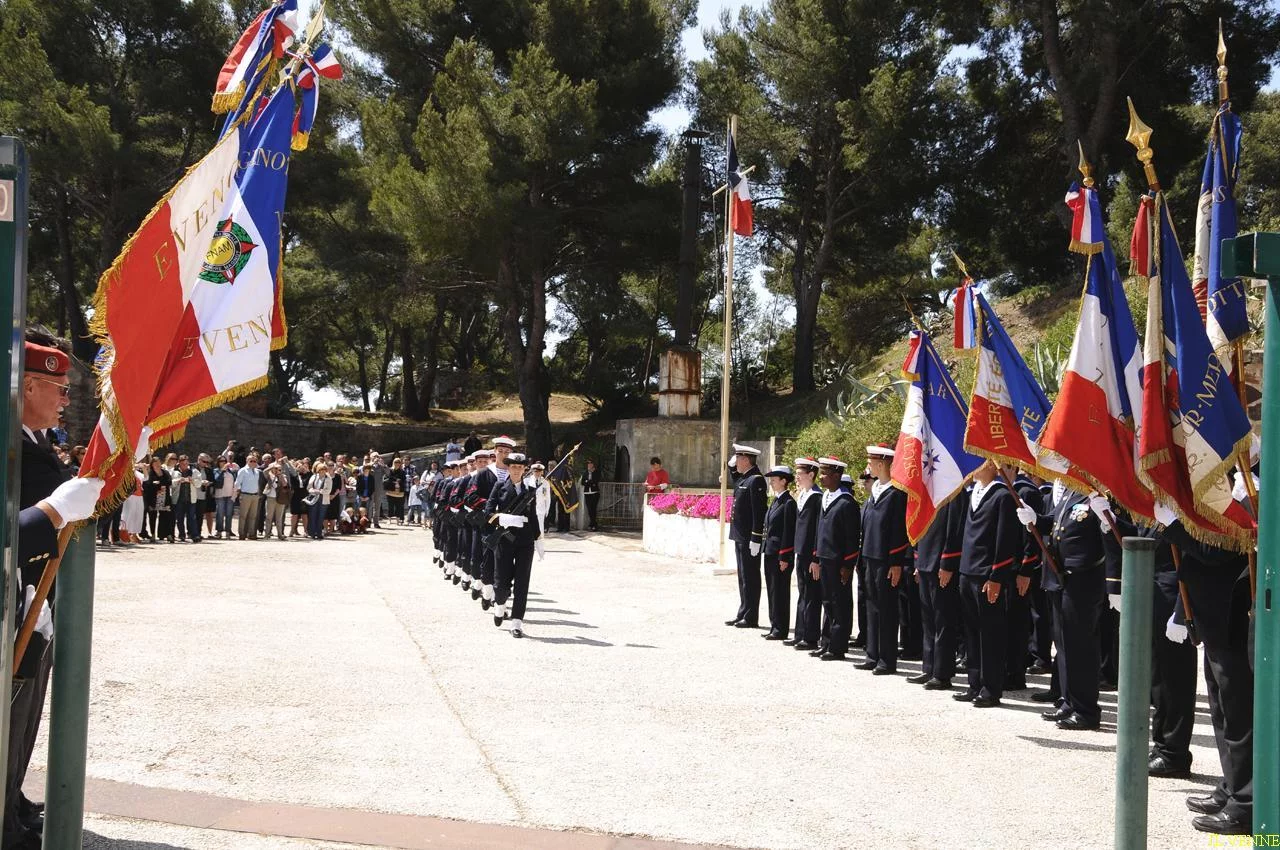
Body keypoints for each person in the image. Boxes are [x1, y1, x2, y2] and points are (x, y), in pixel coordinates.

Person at [8, 337, 105, 848]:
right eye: (60, 390)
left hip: (30, 599)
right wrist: (55, 509)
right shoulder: (13, 443)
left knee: (24, 715)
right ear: (27, 385)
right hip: (14, 598)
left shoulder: (32, 439)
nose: (67, 400)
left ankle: (12, 803)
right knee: (11, 712)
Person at [1158, 503, 1253, 835]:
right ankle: (1232, 787)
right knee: (1222, 712)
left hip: (1231, 618)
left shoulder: (1240, 489)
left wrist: (1175, 527)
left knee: (1239, 716)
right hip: (1212, 617)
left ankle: (1246, 806)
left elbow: (1217, 550)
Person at [1018, 482, 1117, 729]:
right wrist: (1035, 519)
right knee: (1064, 644)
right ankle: (1069, 702)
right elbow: (1055, 523)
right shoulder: (1073, 493)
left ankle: (1086, 711)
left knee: (1081, 646)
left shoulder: (1100, 495)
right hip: (1061, 577)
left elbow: (1113, 538)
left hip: (1084, 578)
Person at [954, 460, 1020, 708]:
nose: (973, 467)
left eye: (979, 462)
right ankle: (974, 683)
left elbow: (1004, 540)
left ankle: (990, 688)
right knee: (971, 631)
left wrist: (997, 577)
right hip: (968, 571)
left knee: (990, 634)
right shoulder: (975, 494)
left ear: (992, 466)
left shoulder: (1002, 495)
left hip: (986, 575)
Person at [856, 444, 909, 675]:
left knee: (887, 609)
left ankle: (886, 659)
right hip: (869, 557)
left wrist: (897, 562)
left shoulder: (897, 493)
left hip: (887, 561)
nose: (868, 466)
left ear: (881, 463)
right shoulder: (875, 490)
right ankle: (872, 654)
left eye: (871, 462)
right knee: (872, 607)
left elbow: (899, 530)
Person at [910, 494, 966, 690]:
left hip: (941, 564)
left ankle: (942, 673)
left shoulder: (953, 494)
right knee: (928, 621)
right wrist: (918, 560)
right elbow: (920, 528)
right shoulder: (928, 492)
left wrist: (948, 563)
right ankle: (929, 667)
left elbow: (954, 532)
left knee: (943, 621)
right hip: (925, 562)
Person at [485, 453, 542, 638]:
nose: (517, 470)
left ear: (525, 469)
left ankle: (517, 622)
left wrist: (539, 538)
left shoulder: (530, 489)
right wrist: (504, 518)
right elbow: (487, 513)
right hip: (504, 540)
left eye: (520, 467)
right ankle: (500, 605)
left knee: (522, 583)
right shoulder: (499, 486)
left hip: (525, 541)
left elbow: (533, 517)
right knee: (501, 583)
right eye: (513, 467)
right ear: (508, 468)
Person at [812, 455, 860, 661]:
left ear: (837, 475)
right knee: (827, 602)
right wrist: (815, 556)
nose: (821, 477)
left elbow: (852, 537)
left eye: (825, 474)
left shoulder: (847, 502)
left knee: (839, 603)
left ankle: (838, 646)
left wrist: (848, 564)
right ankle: (827, 641)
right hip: (824, 558)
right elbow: (818, 531)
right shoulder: (825, 498)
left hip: (839, 561)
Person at [724, 444, 766, 629]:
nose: (736, 462)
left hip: (749, 538)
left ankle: (751, 616)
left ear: (746, 459)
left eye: (738, 458)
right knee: (742, 577)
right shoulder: (745, 478)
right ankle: (743, 611)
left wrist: (756, 538)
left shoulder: (756, 480)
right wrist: (731, 466)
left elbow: (759, 512)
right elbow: (734, 480)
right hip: (740, 536)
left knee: (750, 577)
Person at [785, 458, 823, 652]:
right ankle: (800, 633)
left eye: (800, 474)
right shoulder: (803, 495)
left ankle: (810, 636)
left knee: (812, 595)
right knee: (803, 593)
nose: (797, 478)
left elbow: (818, 529)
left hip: (811, 553)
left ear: (811, 475)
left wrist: (816, 556)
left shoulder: (817, 497)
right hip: (801, 551)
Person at [761, 466, 797, 641]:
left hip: (780, 554)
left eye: (774, 479)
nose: (772, 482)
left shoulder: (789, 503)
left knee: (780, 591)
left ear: (784, 481)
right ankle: (774, 623)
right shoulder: (776, 501)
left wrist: (785, 555)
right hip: (769, 551)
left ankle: (780, 628)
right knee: (772, 590)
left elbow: (788, 532)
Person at [234, 453, 264, 540]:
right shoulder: (243, 470)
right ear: (247, 461)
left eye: (255, 461)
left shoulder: (257, 471)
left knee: (253, 516)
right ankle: (241, 533)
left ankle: (251, 534)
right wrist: (237, 493)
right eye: (251, 461)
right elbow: (237, 483)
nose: (253, 462)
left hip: (255, 496)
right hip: (245, 495)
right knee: (243, 516)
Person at [264, 462, 291, 539]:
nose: (278, 470)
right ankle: (267, 534)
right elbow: (264, 472)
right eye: (276, 469)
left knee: (279, 518)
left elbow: (285, 485)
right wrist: (271, 467)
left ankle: (280, 534)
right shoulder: (270, 476)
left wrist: (280, 476)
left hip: (281, 498)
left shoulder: (283, 476)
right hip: (271, 498)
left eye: (279, 469)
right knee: (269, 517)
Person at [306, 462, 332, 539]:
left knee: (321, 517)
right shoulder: (314, 477)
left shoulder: (328, 478)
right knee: (312, 516)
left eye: (324, 469)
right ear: (318, 470)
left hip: (323, 499)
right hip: (314, 498)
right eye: (321, 469)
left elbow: (329, 490)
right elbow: (308, 487)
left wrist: (320, 491)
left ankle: (319, 533)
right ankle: (312, 533)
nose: (322, 471)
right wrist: (313, 491)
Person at [385, 457, 407, 523]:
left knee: (398, 506)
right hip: (390, 490)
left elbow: (404, 480)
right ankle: (389, 520)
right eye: (396, 462)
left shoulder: (402, 471)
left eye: (398, 462)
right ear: (393, 463)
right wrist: (394, 482)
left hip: (399, 491)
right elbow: (387, 479)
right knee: (390, 506)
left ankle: (398, 520)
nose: (397, 464)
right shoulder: (390, 470)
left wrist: (398, 482)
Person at [581, 458, 601, 531]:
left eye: (590, 464)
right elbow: (582, 482)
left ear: (593, 465)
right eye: (588, 464)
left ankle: (593, 524)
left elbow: (596, 480)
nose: (589, 465)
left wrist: (588, 482)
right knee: (589, 509)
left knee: (593, 509)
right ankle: (593, 524)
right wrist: (589, 482)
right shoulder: (585, 473)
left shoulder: (596, 472)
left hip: (594, 493)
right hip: (587, 493)